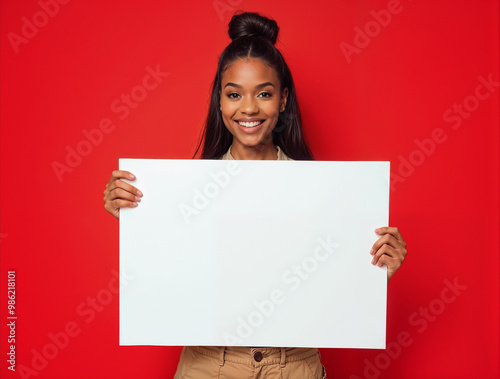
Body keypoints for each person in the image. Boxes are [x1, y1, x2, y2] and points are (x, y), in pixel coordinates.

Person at [103, 11, 407, 379]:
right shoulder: (184, 190)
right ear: (220, 101)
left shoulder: (325, 191)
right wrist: (137, 218)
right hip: (209, 365)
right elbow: (171, 276)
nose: (248, 108)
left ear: (282, 100)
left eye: (263, 93)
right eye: (234, 94)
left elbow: (333, 289)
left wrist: (377, 272)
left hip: (293, 365)